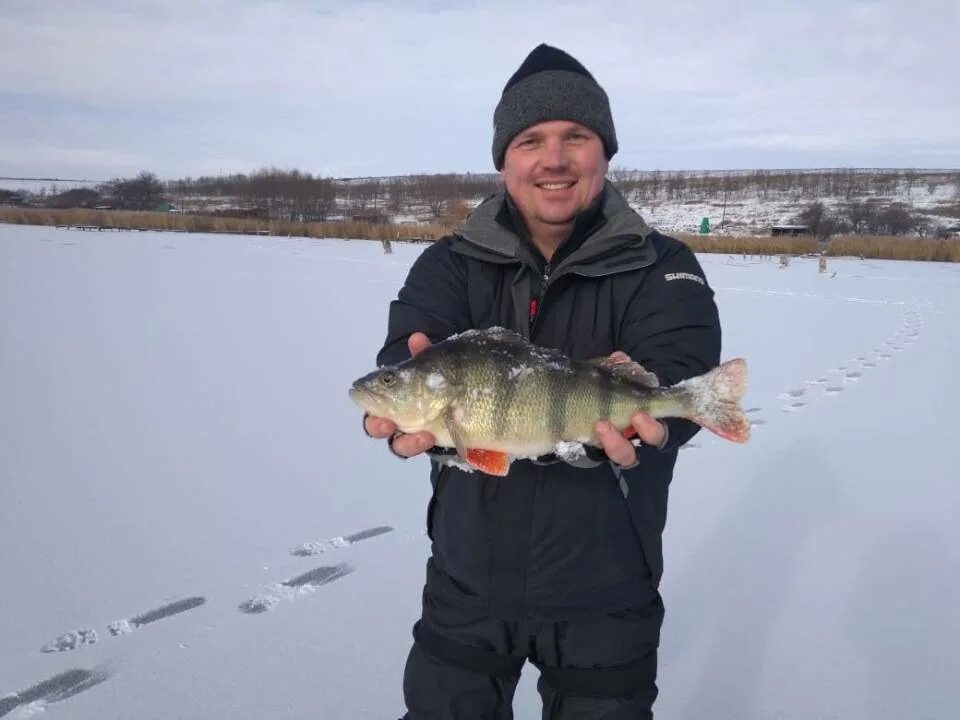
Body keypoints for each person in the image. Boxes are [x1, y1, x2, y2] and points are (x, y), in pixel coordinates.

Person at [363, 43, 721, 720]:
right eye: (531, 140)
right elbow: (407, 354)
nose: (553, 159)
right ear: (504, 161)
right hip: (466, 583)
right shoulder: (449, 264)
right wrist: (405, 413)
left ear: (604, 153)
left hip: (608, 589)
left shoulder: (662, 266)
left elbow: (679, 374)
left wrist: (660, 420)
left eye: (575, 137)